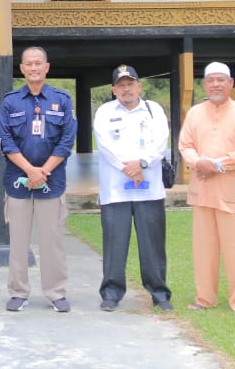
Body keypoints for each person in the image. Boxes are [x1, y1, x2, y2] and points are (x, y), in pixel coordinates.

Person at [0, 46, 78, 313]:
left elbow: (67, 141)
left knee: (52, 240)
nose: (33, 68)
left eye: (38, 63)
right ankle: (18, 292)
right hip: (18, 182)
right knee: (18, 241)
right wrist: (29, 171)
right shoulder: (11, 101)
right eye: (28, 64)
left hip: (51, 182)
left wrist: (43, 171)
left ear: (47, 67)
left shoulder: (62, 99)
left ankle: (56, 292)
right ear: (21, 69)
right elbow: (5, 140)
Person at [178, 61, 235, 315]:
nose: (215, 84)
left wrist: (216, 165)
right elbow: (185, 145)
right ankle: (205, 298)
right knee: (204, 249)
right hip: (202, 192)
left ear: (230, 84)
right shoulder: (194, 113)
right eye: (210, 80)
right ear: (204, 84)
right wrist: (197, 162)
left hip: (231, 192)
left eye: (221, 80)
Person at [93, 64, 172, 312]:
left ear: (139, 86)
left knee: (153, 245)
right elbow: (104, 145)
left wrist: (143, 163)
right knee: (115, 244)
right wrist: (127, 167)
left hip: (149, 189)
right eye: (121, 85)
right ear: (114, 89)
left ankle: (159, 293)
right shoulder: (105, 112)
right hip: (116, 190)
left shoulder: (153, 110)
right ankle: (112, 293)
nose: (126, 89)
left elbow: (161, 141)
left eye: (130, 84)